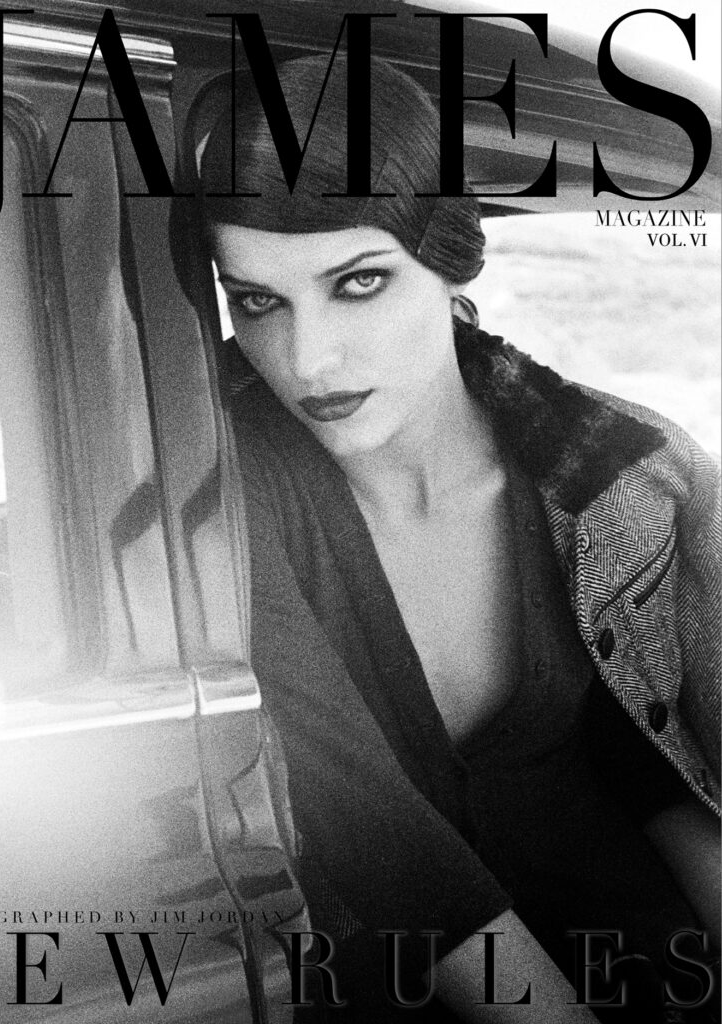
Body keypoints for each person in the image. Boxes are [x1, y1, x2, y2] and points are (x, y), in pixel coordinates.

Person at [190, 54, 721, 1022]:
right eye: (257, 301)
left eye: (358, 282)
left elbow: (670, 776)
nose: (307, 359)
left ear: (449, 264)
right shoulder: (221, 492)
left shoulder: (623, 471)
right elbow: (381, 836)